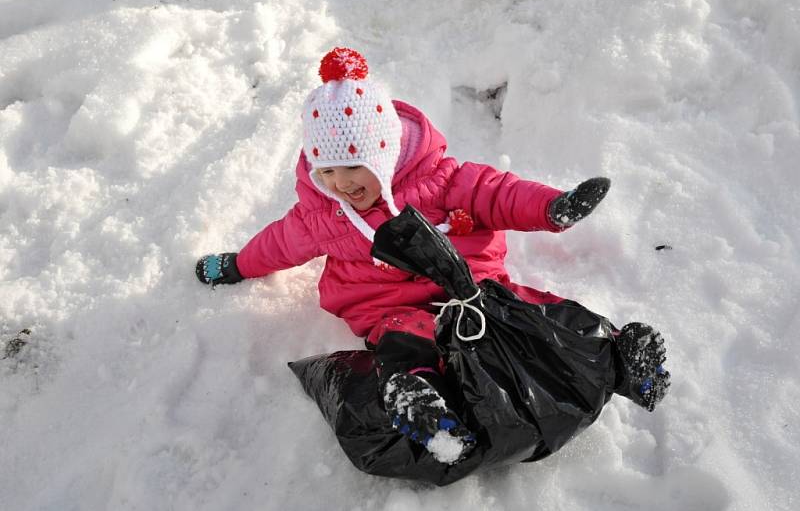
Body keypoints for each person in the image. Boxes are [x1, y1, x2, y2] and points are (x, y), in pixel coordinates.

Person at [195, 47, 670, 464]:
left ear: (384, 150)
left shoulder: (441, 180)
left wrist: (550, 207)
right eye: (327, 170)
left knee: (539, 313)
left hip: (476, 291)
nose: (340, 183)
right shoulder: (324, 214)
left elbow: (497, 193)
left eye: (352, 166)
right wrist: (237, 264)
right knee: (405, 344)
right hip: (392, 309)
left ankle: (620, 357)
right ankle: (425, 405)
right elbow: (278, 244)